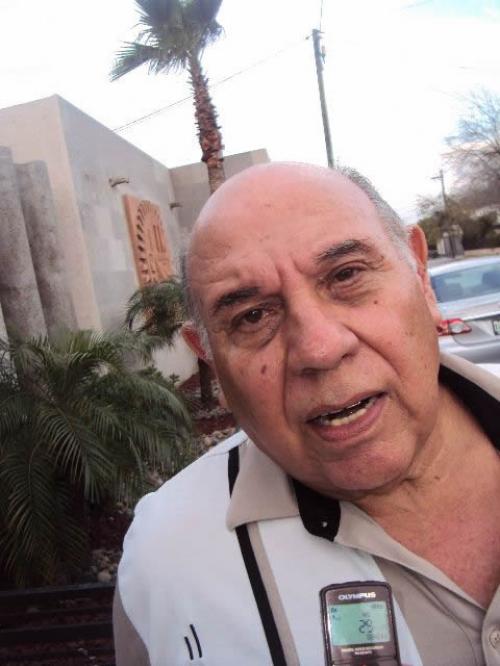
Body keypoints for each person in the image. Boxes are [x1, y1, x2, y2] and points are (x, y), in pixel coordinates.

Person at [113, 163, 500, 666]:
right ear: (209, 358)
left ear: (421, 276)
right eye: (253, 316)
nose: (319, 348)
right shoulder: (163, 567)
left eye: (346, 275)